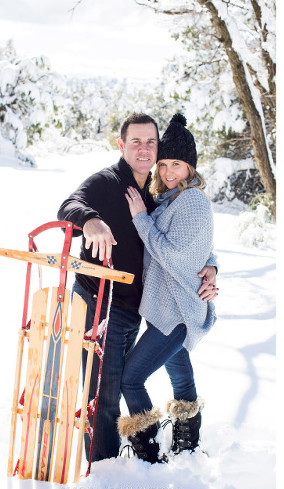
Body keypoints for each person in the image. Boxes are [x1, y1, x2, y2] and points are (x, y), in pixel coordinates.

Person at [57, 112, 219, 462]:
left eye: (152, 144)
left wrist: (211, 265)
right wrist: (91, 220)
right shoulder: (112, 182)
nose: (147, 152)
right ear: (122, 144)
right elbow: (68, 206)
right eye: (136, 142)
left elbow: (185, 241)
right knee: (109, 388)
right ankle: (107, 464)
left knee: (128, 380)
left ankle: (161, 446)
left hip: (152, 306)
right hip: (105, 301)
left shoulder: (164, 193)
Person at [117, 113, 217, 463]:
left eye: (177, 164)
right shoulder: (171, 199)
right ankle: (188, 445)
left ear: (190, 168)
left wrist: (140, 220)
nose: (168, 172)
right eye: (163, 164)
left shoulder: (192, 201)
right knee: (180, 371)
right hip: (167, 306)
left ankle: (148, 453)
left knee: (130, 379)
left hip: (175, 312)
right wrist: (212, 265)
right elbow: (197, 246)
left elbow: (175, 258)